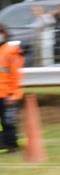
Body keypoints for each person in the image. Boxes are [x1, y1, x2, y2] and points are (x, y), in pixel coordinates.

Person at [0, 25, 24, 153]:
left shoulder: (11, 51)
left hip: (7, 95)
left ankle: (12, 147)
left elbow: (16, 76)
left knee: (8, 123)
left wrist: (12, 94)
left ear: (3, 33)